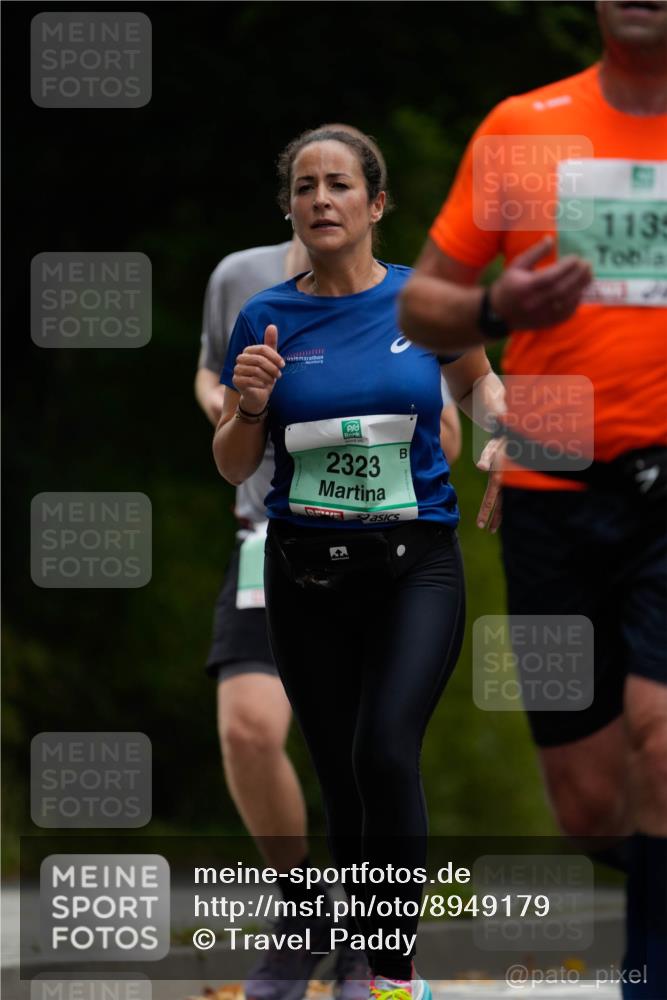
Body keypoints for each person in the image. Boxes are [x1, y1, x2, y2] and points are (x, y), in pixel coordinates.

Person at [399, 3, 667, 996]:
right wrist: (490, 310)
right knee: (592, 802)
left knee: (660, 735)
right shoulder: (525, 126)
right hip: (552, 467)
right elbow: (421, 301)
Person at [213, 126, 504, 1000]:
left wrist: (513, 440)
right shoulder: (264, 318)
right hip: (305, 569)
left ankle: (390, 971)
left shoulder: (427, 304)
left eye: (338, 185)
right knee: (339, 773)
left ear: (376, 205)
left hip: (415, 561)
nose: (320, 201)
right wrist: (251, 406)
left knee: (385, 749)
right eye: (304, 188)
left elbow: (481, 387)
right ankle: (355, 957)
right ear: (289, 210)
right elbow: (232, 462)